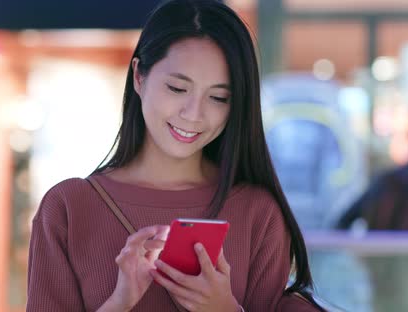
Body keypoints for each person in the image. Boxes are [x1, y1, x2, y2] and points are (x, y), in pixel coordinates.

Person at [26, 0, 324, 311]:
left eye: (219, 97)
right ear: (139, 77)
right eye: (178, 88)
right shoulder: (69, 208)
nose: (194, 114)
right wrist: (120, 302)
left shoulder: (257, 213)